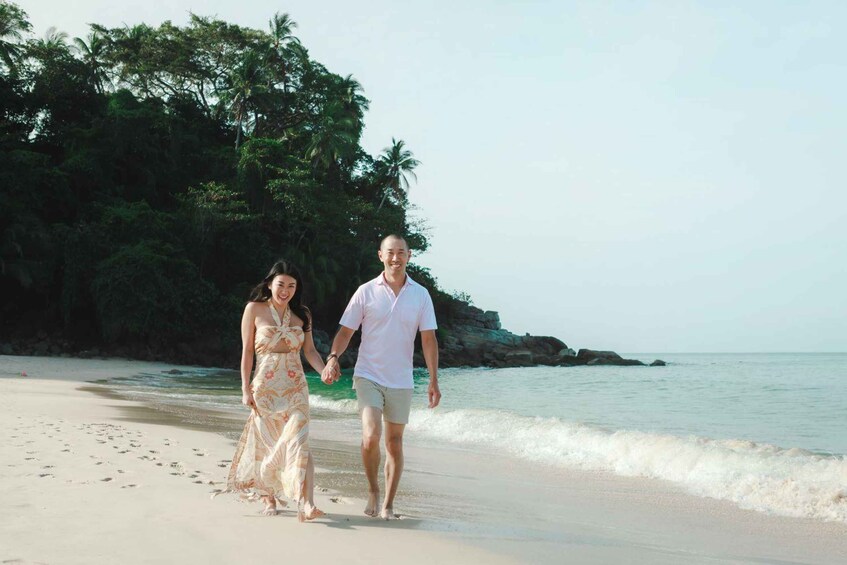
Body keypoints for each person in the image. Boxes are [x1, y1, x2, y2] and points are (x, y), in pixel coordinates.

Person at [321, 234, 441, 520]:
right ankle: (373, 489)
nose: (395, 258)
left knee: (394, 444)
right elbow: (346, 331)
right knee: (371, 435)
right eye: (390, 252)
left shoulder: (420, 295)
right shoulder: (365, 291)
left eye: (401, 252)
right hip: (368, 374)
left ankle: (388, 503)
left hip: (401, 380)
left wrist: (434, 380)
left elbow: (428, 340)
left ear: (409, 256)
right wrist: (333, 357)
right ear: (380, 255)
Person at [224, 260, 326, 521]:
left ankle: (307, 503)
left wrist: (323, 369)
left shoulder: (302, 314)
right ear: (270, 284)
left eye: (292, 286)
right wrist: (245, 388)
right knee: (268, 444)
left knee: (299, 440)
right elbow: (247, 351)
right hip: (265, 387)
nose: (286, 290)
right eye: (281, 284)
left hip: (295, 387)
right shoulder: (254, 309)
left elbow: (310, 351)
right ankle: (268, 496)